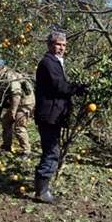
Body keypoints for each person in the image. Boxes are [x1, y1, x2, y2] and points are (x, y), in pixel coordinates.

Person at [34, 31, 87, 203]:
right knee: (51, 152)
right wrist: (77, 88)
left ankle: (42, 187)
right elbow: (59, 86)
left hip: (53, 115)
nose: (61, 48)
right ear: (50, 45)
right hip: (49, 115)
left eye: (64, 45)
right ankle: (41, 192)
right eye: (58, 44)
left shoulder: (56, 62)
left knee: (51, 150)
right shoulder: (48, 63)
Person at [0, 59, 35, 160]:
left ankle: (26, 152)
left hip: (25, 103)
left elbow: (16, 94)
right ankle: (6, 146)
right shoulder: (1, 76)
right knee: (6, 122)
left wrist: (13, 111)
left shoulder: (10, 76)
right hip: (17, 103)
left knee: (19, 127)